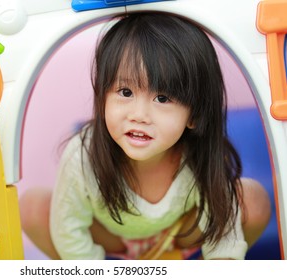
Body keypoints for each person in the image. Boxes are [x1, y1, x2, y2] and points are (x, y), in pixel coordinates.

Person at [19, 12, 271, 260]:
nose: (139, 115)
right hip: (111, 239)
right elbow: (68, 228)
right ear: (103, 95)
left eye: (162, 98)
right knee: (32, 207)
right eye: (125, 92)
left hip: (177, 234)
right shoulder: (82, 155)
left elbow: (223, 232)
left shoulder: (198, 154)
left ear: (193, 115)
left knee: (252, 199)